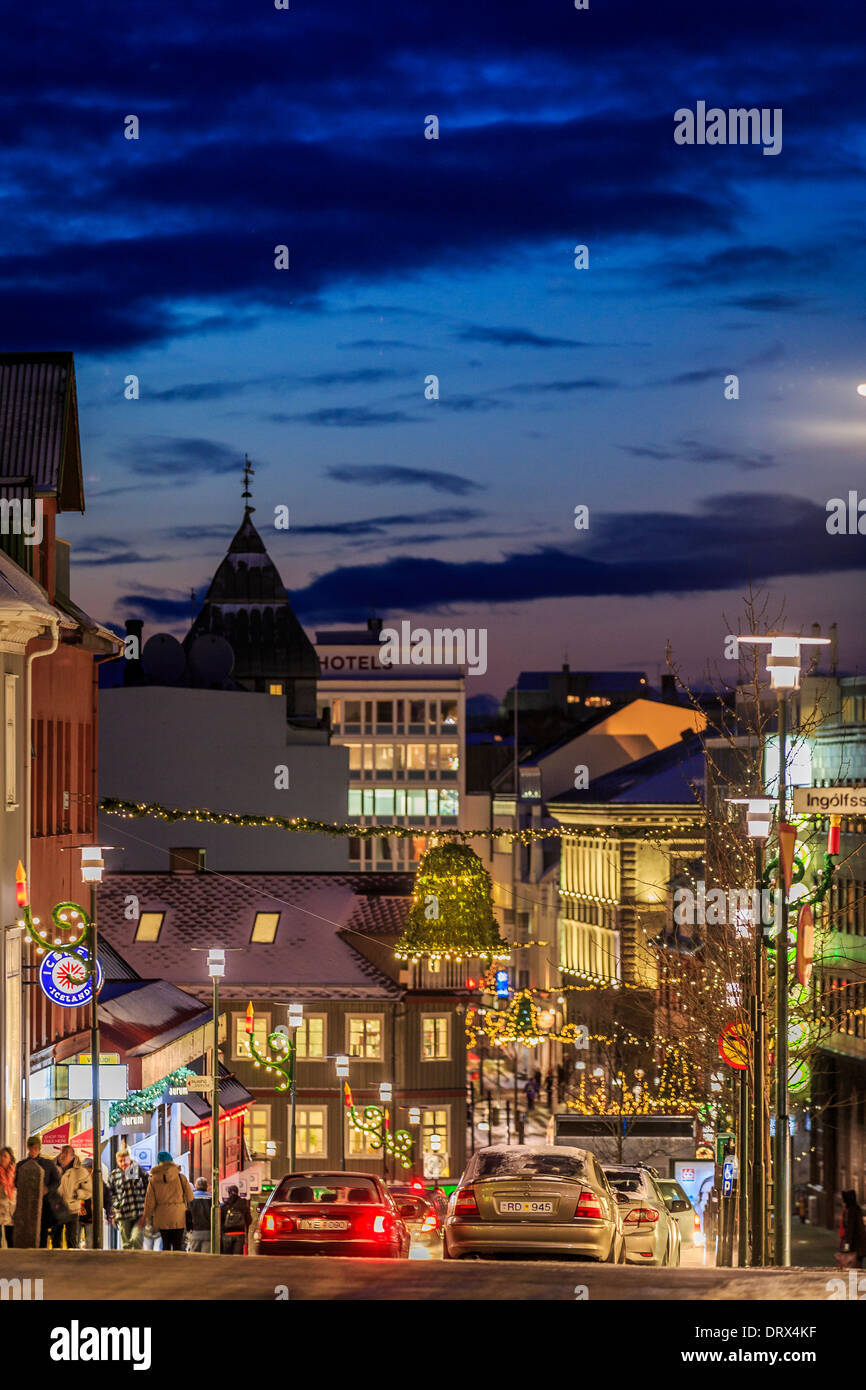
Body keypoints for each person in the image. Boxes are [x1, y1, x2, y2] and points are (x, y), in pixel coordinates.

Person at [15, 1136, 60, 1249]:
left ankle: (41, 1251)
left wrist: (47, 1189)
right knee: (27, 1229)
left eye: (35, 1148)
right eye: (31, 1148)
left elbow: (56, 1181)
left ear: (39, 1148)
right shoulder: (21, 1165)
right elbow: (16, 1182)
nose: (33, 1150)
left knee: (42, 1231)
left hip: (44, 1204)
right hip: (27, 1204)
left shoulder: (48, 1164)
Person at [143, 1151, 194, 1251]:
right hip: (178, 1215)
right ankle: (177, 1265)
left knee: (165, 1244)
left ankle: (166, 1264)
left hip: (162, 1216)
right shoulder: (181, 1177)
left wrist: (146, 1217)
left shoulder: (153, 1180)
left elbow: (149, 1202)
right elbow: (190, 1197)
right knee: (177, 1244)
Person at [108, 1148, 148, 1249]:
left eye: (125, 1160)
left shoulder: (139, 1171)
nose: (123, 1163)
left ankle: (137, 1262)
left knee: (136, 1239)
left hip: (139, 1212)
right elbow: (110, 1193)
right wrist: (116, 1205)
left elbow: (149, 1190)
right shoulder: (114, 1175)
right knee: (126, 1244)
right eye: (120, 1161)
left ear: (129, 1159)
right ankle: (128, 1263)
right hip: (123, 1213)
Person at [53, 1145, 90, 1250]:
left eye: (66, 1153)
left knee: (71, 1240)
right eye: (62, 1152)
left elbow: (88, 1190)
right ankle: (55, 1263)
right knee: (55, 1239)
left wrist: (77, 1194)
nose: (62, 1155)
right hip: (57, 1209)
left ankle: (72, 1263)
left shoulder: (80, 1171)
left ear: (72, 1156)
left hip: (72, 1210)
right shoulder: (53, 1167)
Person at [79, 1156, 111, 1249]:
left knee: (91, 1243)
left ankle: (89, 1262)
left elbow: (108, 1200)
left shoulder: (100, 1184)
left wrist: (109, 1214)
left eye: (89, 1170)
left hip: (93, 1218)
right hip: (76, 1218)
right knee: (73, 1244)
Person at [220, 1185, 251, 1254]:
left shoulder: (225, 1205)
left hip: (227, 1234)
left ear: (229, 1193)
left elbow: (221, 1221)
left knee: (227, 1257)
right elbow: (249, 1220)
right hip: (240, 1233)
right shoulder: (243, 1203)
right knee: (237, 1258)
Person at [840, 1190, 866, 1268]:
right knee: (857, 1264)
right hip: (860, 1245)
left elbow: (849, 1230)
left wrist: (847, 1246)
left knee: (853, 1265)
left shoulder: (851, 1211)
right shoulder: (857, 1209)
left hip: (855, 1245)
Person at [187, 1177, 212, 1252]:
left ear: (196, 1186)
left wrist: (189, 1229)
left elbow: (187, 1214)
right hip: (208, 1232)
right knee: (206, 1258)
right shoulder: (212, 1198)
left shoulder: (191, 1198)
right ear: (206, 1186)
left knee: (194, 1258)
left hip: (195, 1231)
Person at [0, 1147, 16, 1248]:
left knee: (11, 1239)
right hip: (0, 1208)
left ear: (10, 1158)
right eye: (1, 1156)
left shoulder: (15, 1172)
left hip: (11, 1210)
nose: (2, 1158)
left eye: (5, 1156)